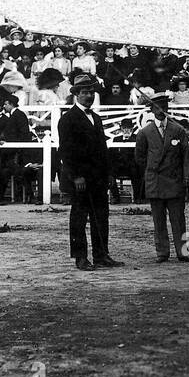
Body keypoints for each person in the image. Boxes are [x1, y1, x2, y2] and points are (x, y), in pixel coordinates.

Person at [57, 73, 121, 271]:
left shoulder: (96, 118)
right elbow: (66, 152)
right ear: (76, 94)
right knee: (79, 217)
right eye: (85, 92)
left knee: (101, 216)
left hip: (99, 178)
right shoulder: (68, 119)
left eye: (91, 92)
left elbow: (103, 149)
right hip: (81, 179)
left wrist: (109, 173)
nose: (89, 96)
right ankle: (81, 258)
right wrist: (76, 176)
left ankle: (102, 255)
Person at [134, 92, 189, 262]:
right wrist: (152, 170)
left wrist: (186, 177)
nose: (161, 110)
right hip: (156, 182)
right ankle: (162, 253)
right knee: (158, 221)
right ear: (151, 109)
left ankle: (184, 252)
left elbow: (186, 157)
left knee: (179, 220)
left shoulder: (178, 130)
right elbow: (139, 158)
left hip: (175, 181)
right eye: (157, 107)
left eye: (164, 107)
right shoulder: (144, 133)